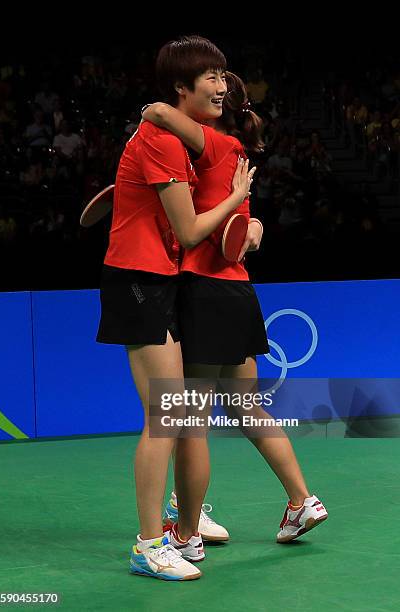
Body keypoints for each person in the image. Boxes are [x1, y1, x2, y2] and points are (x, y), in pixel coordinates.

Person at [142, 67, 328, 551]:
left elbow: (161, 111)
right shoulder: (237, 156)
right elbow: (240, 222)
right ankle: (301, 501)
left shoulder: (214, 145)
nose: (216, 92)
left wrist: (154, 111)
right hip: (239, 294)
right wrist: (257, 220)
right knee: (245, 405)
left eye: (221, 87)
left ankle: (185, 530)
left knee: (190, 420)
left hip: (202, 292)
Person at [96, 36, 255, 581]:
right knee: (167, 417)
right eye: (208, 77)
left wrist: (246, 227)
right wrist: (237, 202)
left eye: (223, 73)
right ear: (180, 89)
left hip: (158, 279)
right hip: (139, 279)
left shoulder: (176, 139)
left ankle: (172, 517)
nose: (221, 84)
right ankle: (147, 544)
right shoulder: (163, 142)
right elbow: (188, 229)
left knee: (180, 414)